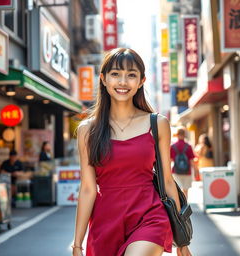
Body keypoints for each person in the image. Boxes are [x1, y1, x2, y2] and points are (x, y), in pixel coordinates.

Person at [72, 48, 192, 256]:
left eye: (131, 75)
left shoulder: (157, 123)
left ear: (141, 81)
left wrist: (182, 241)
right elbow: (88, 189)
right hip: (106, 220)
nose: (123, 82)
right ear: (103, 79)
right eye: (116, 74)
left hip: (150, 215)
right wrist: (77, 244)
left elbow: (167, 180)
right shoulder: (87, 130)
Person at [170, 127, 197, 199]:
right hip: (187, 171)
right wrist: (196, 171)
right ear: (184, 135)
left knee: (177, 190)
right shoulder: (188, 146)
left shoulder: (173, 146)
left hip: (176, 171)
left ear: (177, 135)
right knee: (185, 190)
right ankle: (185, 204)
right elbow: (191, 160)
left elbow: (171, 160)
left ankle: (179, 206)